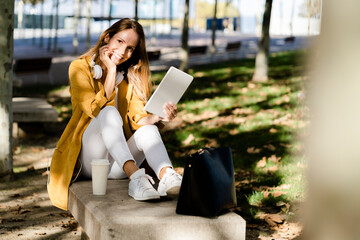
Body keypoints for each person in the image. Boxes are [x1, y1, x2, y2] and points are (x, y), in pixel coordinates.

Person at [47, 18, 182, 211]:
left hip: (117, 164)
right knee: (108, 112)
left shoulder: (129, 76)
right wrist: (110, 71)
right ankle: (136, 177)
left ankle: (167, 176)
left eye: (130, 48)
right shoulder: (79, 68)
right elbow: (93, 109)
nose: (123, 51)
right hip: (89, 161)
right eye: (119, 42)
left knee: (149, 130)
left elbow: (138, 120)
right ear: (107, 38)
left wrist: (160, 116)